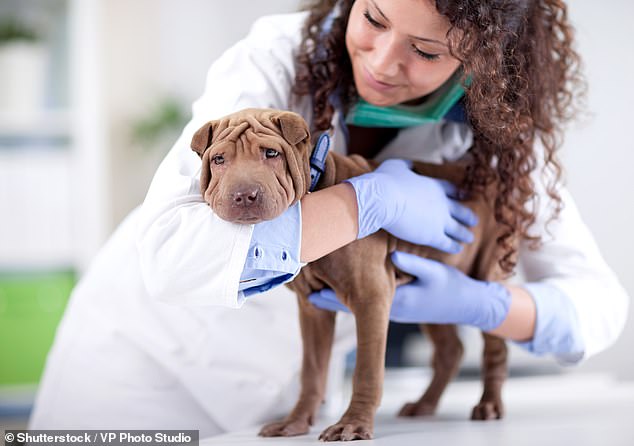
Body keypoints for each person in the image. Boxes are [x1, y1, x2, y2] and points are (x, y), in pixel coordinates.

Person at [30, 0, 629, 437]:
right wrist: (362, 203)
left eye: (425, 51)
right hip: (141, 373)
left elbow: (601, 306)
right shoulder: (270, 62)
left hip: (297, 400)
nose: (384, 62)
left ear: (484, 61)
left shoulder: (497, 129)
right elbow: (174, 261)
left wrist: (485, 306)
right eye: (372, 17)